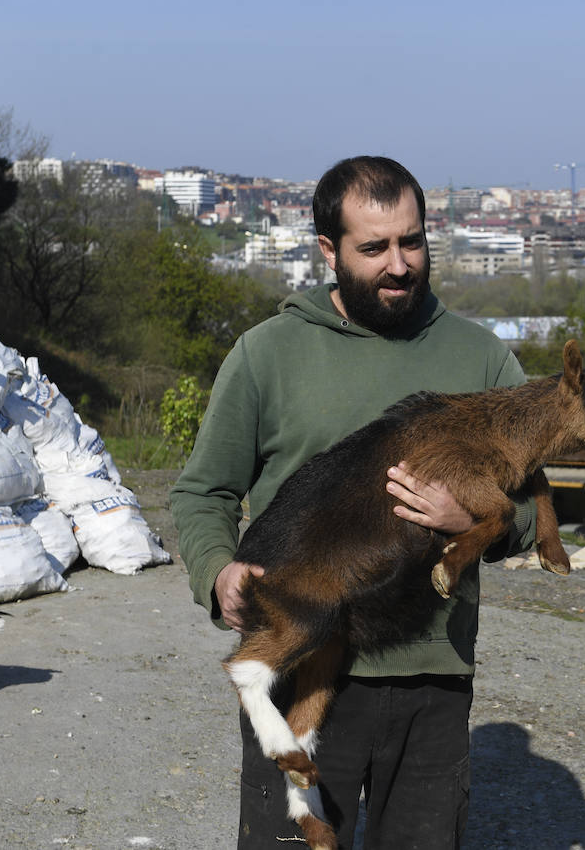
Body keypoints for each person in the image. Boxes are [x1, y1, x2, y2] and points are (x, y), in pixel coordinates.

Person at [170, 155, 539, 849]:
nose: (399, 264)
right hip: (299, 665)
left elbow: (534, 510)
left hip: (431, 676)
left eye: (412, 241)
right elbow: (203, 492)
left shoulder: (483, 360)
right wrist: (216, 570)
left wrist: (477, 525)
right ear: (327, 250)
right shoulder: (267, 354)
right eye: (374, 248)